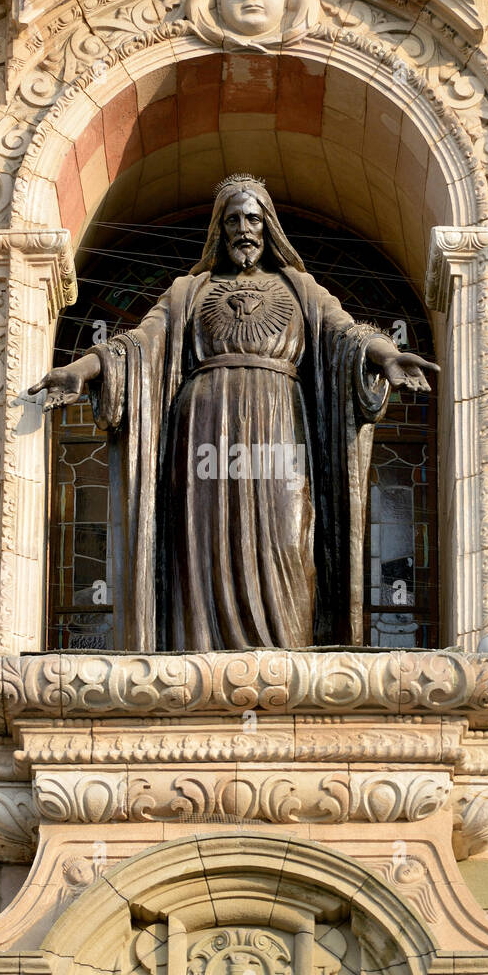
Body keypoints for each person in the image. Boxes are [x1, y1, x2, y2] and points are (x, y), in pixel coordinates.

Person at [29, 175, 438, 650]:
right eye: (232, 220)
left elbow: (345, 333)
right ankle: (199, 654)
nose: (244, 229)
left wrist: (387, 357)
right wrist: (84, 367)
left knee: (290, 538)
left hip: (282, 423)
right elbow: (141, 345)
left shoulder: (301, 288)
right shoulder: (190, 290)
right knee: (204, 547)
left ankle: (289, 657)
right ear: (219, 230)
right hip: (202, 424)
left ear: (268, 227)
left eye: (253, 218)